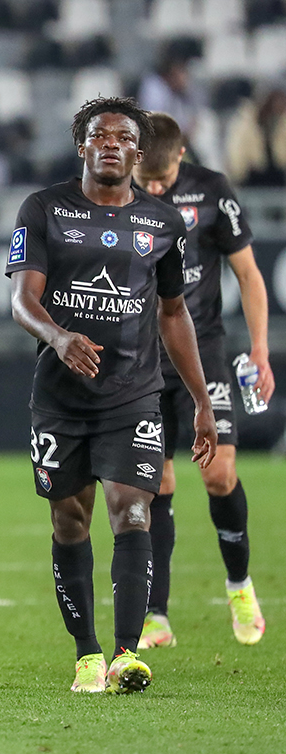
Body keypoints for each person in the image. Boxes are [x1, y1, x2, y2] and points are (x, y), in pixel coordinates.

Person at [6, 96, 216, 695]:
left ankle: (126, 653)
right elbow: (22, 301)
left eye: (123, 137)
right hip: (60, 400)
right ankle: (87, 654)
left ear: (139, 152)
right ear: (82, 146)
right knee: (70, 522)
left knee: (133, 509)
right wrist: (58, 336)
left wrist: (200, 400)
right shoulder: (43, 208)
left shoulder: (164, 224)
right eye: (99, 135)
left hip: (133, 397)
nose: (111, 145)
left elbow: (174, 315)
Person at [131, 112, 272, 648]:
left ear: (182, 154)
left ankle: (239, 585)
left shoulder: (213, 192)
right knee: (155, 484)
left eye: (165, 179)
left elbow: (249, 274)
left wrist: (259, 349)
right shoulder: (117, 194)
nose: (158, 188)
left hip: (203, 354)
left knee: (218, 474)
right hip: (143, 360)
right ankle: (156, 615)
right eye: (150, 181)